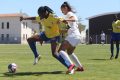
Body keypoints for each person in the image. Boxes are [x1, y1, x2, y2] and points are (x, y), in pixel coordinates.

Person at [20, 6, 75, 73]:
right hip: (46, 34)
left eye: (40, 15)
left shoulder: (53, 17)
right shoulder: (41, 17)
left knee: (54, 53)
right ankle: (36, 56)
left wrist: (68, 24)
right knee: (30, 39)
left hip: (55, 36)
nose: (40, 16)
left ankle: (70, 66)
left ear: (45, 12)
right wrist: (24, 18)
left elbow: (63, 21)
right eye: (39, 15)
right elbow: (34, 17)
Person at [58, 2, 84, 74]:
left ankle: (71, 65)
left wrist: (63, 20)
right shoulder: (68, 16)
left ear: (65, 8)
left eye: (62, 10)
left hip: (73, 35)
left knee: (60, 50)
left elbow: (73, 19)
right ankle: (80, 67)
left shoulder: (69, 14)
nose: (62, 12)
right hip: (77, 36)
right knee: (70, 52)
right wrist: (60, 31)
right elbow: (69, 27)